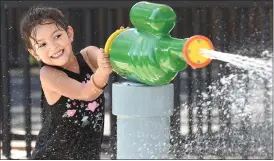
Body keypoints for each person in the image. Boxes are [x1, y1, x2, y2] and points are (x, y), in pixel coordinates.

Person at [20, 5, 114, 159]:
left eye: (57, 36)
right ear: (34, 52)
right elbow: (86, 92)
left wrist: (119, 48)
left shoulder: (89, 56)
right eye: (42, 44)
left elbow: (113, 61)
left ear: (69, 34)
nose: (53, 46)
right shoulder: (48, 74)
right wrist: (103, 71)